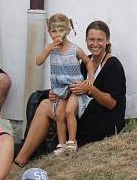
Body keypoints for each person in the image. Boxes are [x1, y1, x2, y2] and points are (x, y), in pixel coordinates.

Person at [15, 20, 126, 167]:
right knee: (46, 103)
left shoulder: (113, 65)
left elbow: (112, 104)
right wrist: (57, 94)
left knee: (49, 108)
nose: (95, 44)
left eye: (100, 40)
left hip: (102, 121)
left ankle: (24, 157)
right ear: (86, 40)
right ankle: (21, 159)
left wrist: (90, 89)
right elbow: (72, 88)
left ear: (107, 41)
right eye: (91, 39)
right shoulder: (86, 62)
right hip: (81, 113)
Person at [35, 13, 94, 156]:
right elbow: (38, 61)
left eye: (61, 30)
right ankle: (61, 144)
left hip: (75, 87)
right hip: (60, 88)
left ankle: (72, 141)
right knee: (59, 114)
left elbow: (88, 61)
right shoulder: (51, 49)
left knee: (69, 111)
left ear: (67, 31)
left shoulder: (74, 49)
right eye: (54, 31)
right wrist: (48, 49)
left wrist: (90, 78)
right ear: (49, 32)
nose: (57, 34)